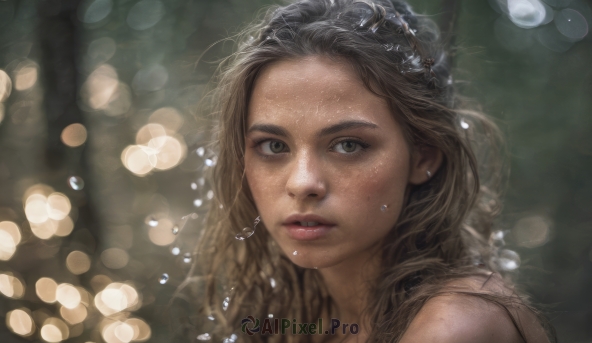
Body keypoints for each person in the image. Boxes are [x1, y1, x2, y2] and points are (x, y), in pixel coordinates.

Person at [184, 0, 556, 342]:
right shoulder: (308, 320)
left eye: (348, 145)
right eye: (274, 146)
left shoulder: (455, 325)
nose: (302, 183)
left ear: (423, 156)